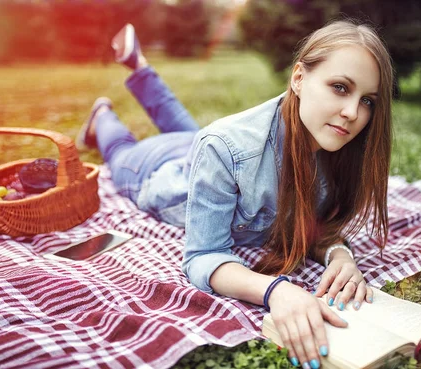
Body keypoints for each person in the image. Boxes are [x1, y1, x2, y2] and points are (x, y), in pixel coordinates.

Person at [77, 20, 393, 369]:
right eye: (339, 87)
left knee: (193, 133)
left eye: (367, 100)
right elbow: (203, 256)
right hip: (156, 173)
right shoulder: (227, 147)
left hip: (201, 149)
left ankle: (139, 68)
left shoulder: (338, 148)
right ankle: (101, 117)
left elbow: (319, 226)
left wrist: (340, 255)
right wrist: (277, 290)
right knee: (121, 151)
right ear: (299, 78)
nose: (352, 113)